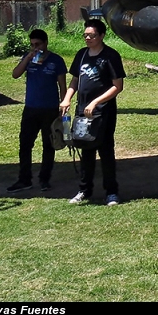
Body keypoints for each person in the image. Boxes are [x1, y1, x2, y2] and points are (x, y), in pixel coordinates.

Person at [60, 18, 125, 206]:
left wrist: (96, 102)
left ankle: (111, 192)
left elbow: (117, 86)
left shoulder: (110, 56)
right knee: (85, 150)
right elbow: (75, 80)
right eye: (85, 35)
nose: (88, 38)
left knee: (105, 151)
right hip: (83, 112)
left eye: (92, 35)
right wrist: (67, 98)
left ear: (102, 36)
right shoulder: (81, 55)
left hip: (103, 112)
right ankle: (84, 190)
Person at [7, 29, 67, 193]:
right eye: (32, 44)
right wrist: (27, 58)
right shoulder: (29, 59)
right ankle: (24, 179)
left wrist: (64, 105)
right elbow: (15, 74)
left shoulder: (56, 60)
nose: (35, 47)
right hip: (31, 108)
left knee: (49, 145)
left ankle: (44, 179)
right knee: (25, 144)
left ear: (45, 43)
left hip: (50, 109)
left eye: (38, 44)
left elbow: (62, 85)